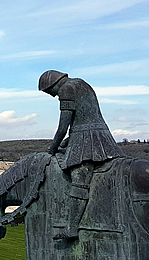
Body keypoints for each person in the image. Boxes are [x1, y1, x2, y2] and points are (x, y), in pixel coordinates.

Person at [39, 70, 123, 241]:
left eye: (49, 92)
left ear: (53, 84)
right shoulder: (82, 83)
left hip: (86, 138)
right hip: (99, 135)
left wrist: (53, 147)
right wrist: (69, 140)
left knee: (79, 179)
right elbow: (88, 116)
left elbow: (63, 125)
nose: (52, 95)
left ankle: (71, 228)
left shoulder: (65, 90)